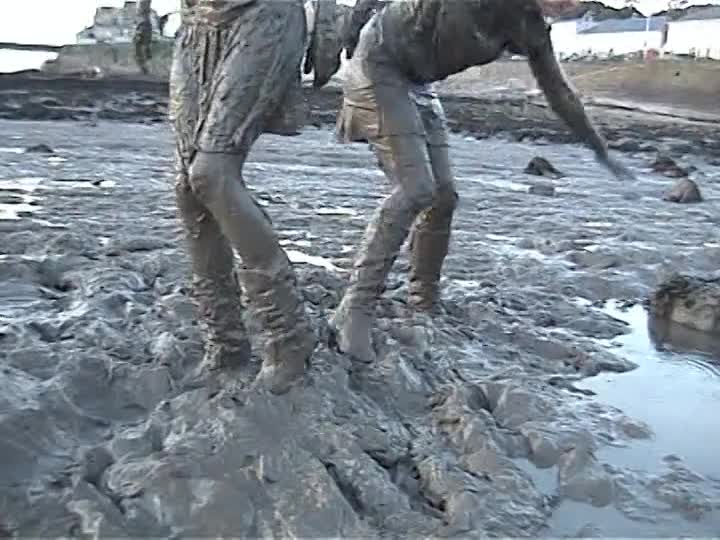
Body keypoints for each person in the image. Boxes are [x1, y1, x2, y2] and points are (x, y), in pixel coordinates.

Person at [331, 0, 634, 364]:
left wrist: (600, 150)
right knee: (416, 189)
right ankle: (354, 309)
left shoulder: (531, 29)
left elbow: (559, 92)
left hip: (419, 83)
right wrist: (351, 28)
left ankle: (423, 298)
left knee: (444, 197)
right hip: (379, 62)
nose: (572, 4)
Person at [133, 0, 341, 393]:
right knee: (187, 189)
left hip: (264, 12)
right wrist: (142, 15)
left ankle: (289, 338)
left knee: (211, 173)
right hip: (195, 22)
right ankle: (225, 345)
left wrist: (327, 24)